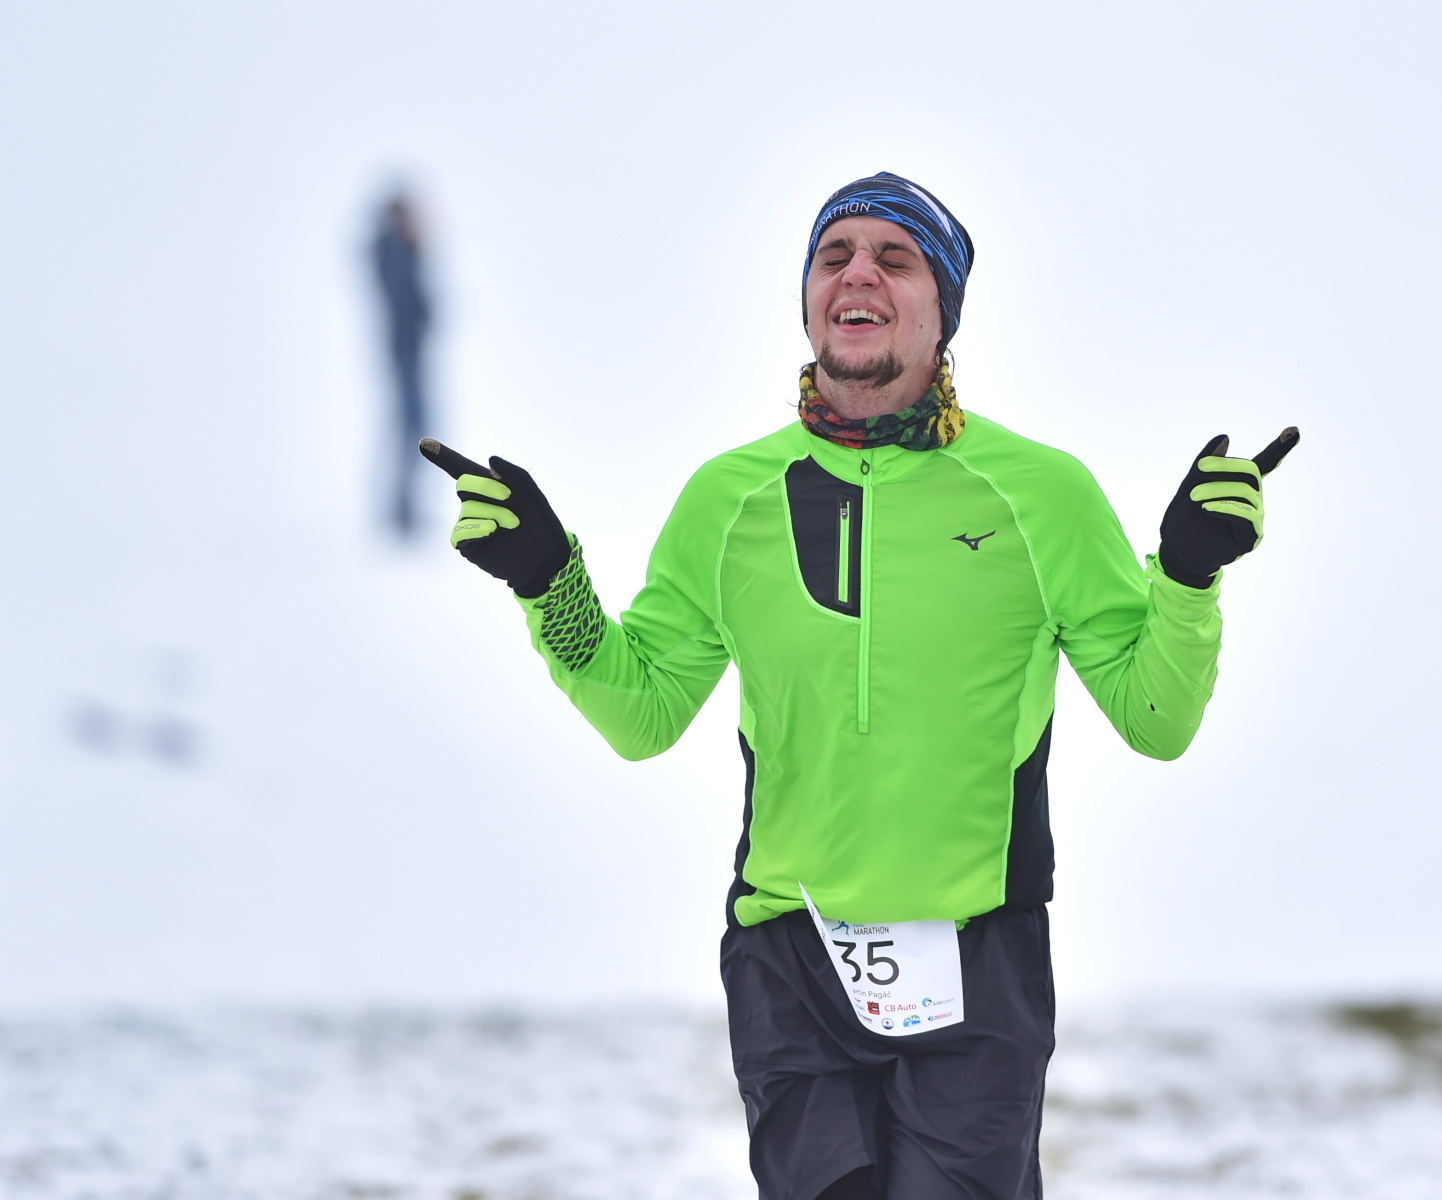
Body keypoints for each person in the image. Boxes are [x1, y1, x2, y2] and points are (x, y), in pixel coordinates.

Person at [420, 172, 1296, 1200]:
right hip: (788, 954)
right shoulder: (727, 499)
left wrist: (1187, 578)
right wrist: (547, 582)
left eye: (895, 258)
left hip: (979, 957)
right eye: (833, 257)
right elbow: (643, 712)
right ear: (807, 301)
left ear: (943, 309)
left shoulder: (1043, 494)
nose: (858, 275)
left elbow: (1157, 717)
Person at [371, 189, 433, 536]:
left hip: (410, 351)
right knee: (411, 429)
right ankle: (401, 512)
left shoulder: (400, 252)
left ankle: (403, 509)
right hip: (404, 352)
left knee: (410, 428)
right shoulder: (393, 252)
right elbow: (406, 303)